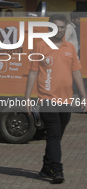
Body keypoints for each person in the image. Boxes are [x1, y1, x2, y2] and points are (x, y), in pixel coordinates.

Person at [24, 14, 87, 184]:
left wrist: (83, 95)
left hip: (66, 100)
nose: (59, 30)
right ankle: (57, 170)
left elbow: (76, 72)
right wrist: (28, 97)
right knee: (54, 133)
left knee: (56, 136)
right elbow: (33, 72)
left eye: (62, 27)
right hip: (47, 98)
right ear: (49, 28)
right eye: (56, 27)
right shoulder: (40, 46)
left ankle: (46, 167)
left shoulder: (70, 48)